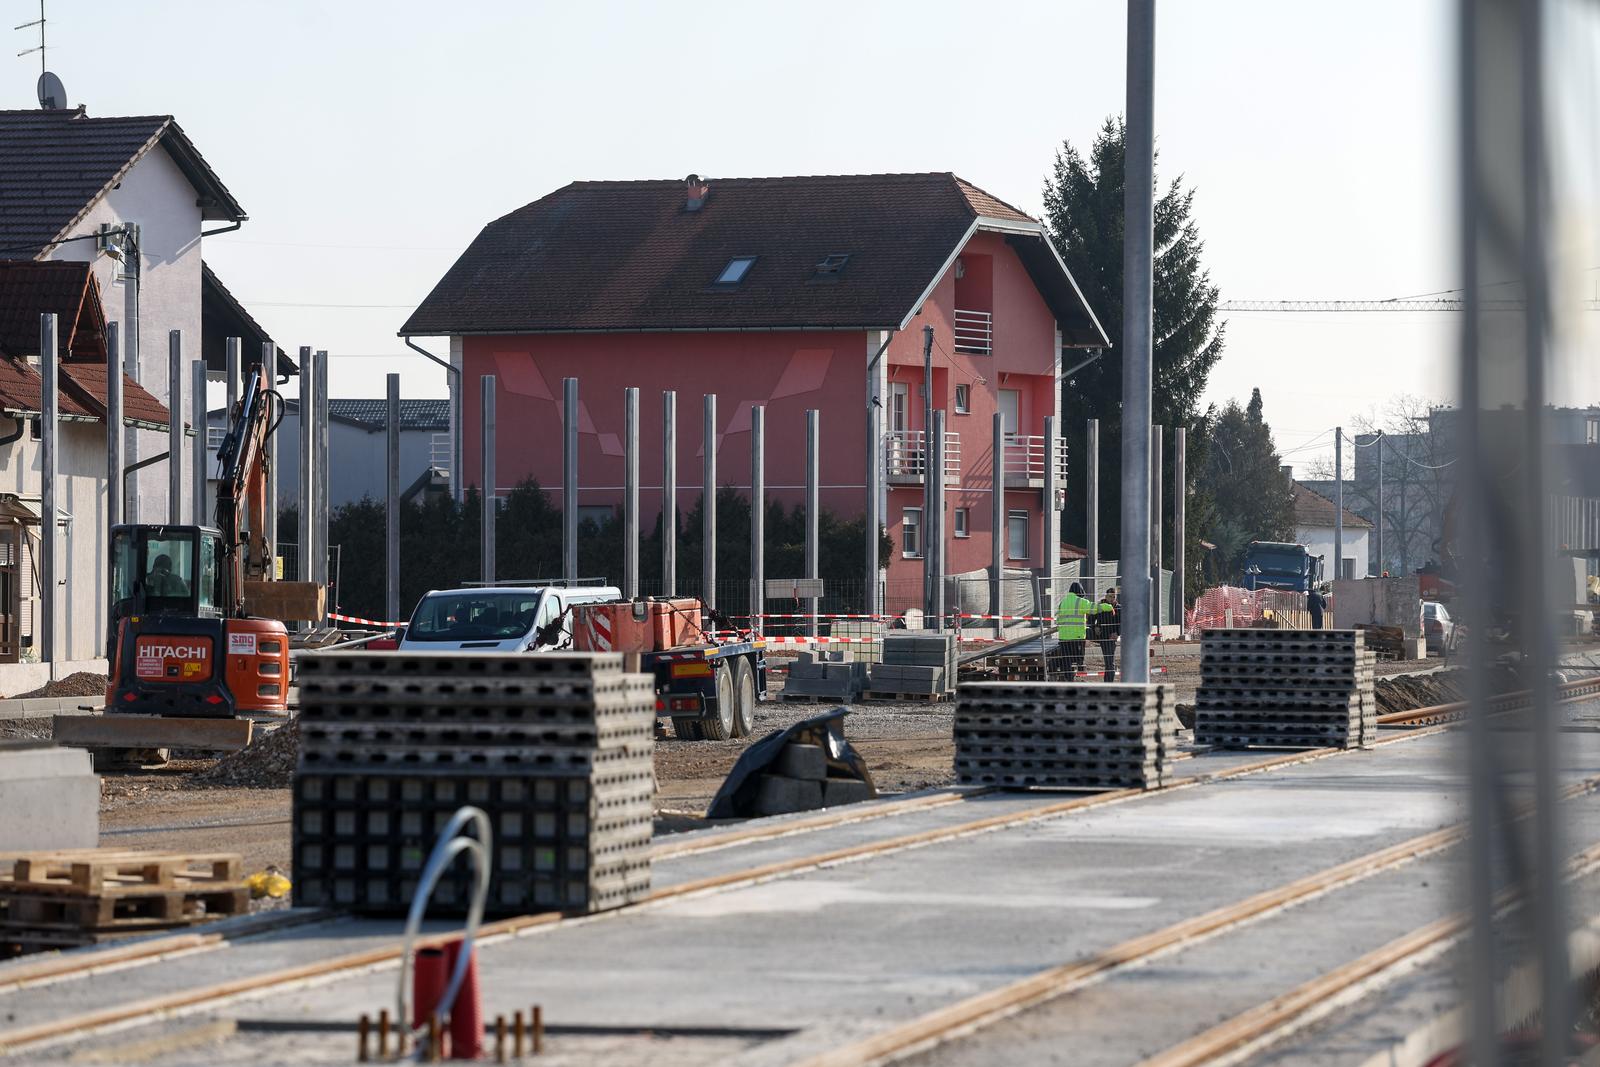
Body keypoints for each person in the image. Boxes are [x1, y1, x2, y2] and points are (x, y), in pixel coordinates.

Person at [1053, 581, 1101, 681]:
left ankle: (1068, 679)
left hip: (1063, 637)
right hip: (1077, 637)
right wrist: (1107, 607)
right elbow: (1094, 609)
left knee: (1067, 659)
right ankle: (1076, 678)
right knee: (1078, 659)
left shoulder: (1063, 602)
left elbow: (1058, 619)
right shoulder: (1080, 601)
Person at [1093, 587, 1120, 681]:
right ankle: (1108, 682)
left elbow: (1123, 623)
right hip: (1102, 636)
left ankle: (1108, 682)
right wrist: (1095, 627)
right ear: (1106, 596)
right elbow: (1091, 619)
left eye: (1114, 596)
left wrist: (1117, 633)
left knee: (1109, 661)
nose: (1112, 599)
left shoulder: (1118, 608)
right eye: (1110, 596)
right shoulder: (1100, 606)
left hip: (1111, 638)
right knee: (1108, 661)